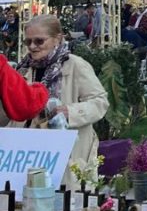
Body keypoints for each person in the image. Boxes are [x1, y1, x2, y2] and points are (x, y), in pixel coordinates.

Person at [1, 14, 109, 189]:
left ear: (57, 39)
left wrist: (70, 112)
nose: (33, 47)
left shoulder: (75, 65)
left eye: (39, 41)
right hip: (27, 150)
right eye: (28, 42)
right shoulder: (22, 69)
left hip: (66, 149)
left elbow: (100, 102)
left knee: (65, 201)